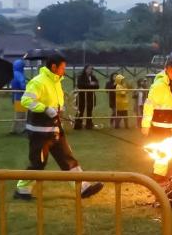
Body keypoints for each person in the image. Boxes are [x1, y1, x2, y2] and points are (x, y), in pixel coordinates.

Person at [13, 52, 104, 201]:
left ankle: (83, 188)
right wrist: (45, 108)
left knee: (68, 159)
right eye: (62, 67)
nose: (64, 70)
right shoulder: (38, 82)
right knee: (38, 164)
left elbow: (54, 102)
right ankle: (22, 190)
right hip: (39, 132)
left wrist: (59, 110)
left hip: (55, 129)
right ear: (54, 67)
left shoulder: (56, 82)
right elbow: (26, 100)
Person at [142, 59, 172, 140]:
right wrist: (145, 125)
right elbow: (149, 105)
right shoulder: (159, 85)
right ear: (166, 70)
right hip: (161, 126)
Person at [74, 65, 100, 130]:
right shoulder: (81, 77)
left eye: (91, 69)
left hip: (90, 96)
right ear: (85, 69)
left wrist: (91, 85)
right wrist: (90, 84)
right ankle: (78, 125)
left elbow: (97, 86)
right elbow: (80, 85)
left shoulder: (93, 77)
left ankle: (89, 125)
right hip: (81, 96)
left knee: (89, 111)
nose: (90, 70)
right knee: (80, 111)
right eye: (88, 69)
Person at [11, 59, 27, 135]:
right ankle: (21, 130)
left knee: (17, 114)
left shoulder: (13, 74)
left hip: (15, 96)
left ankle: (14, 130)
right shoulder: (20, 75)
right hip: (21, 97)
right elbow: (22, 86)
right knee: (21, 115)